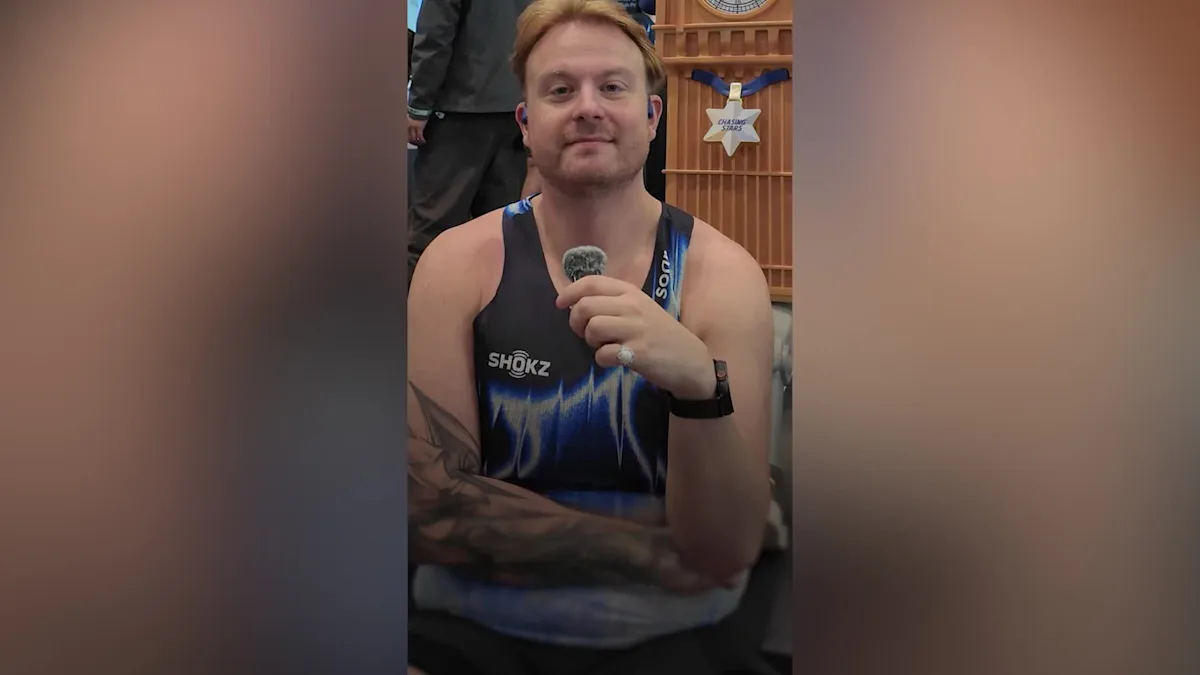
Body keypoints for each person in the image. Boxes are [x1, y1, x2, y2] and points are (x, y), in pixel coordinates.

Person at [406, 1, 777, 673]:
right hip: (469, 630)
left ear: (653, 115)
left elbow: (724, 550)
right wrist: (637, 546)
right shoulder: (456, 266)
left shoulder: (721, 277)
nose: (587, 107)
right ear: (524, 123)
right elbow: (432, 511)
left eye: (612, 86)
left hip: (669, 638)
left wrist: (700, 387)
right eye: (559, 90)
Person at [408, 0, 533, 283]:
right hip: (515, 107)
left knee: (431, 234)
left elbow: (436, 36)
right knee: (499, 231)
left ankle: (420, 323)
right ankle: (488, 323)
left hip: (458, 111)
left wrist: (419, 105)